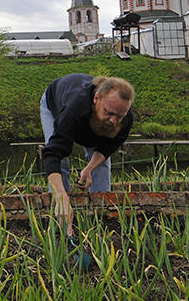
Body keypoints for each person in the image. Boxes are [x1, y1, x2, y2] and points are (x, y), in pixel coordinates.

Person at [39, 73, 134, 236]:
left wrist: (89, 168)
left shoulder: (124, 117)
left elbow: (106, 148)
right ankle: (61, 219)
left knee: (102, 164)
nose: (113, 121)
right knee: (61, 163)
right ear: (96, 98)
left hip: (90, 124)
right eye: (109, 113)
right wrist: (61, 195)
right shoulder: (74, 109)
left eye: (119, 116)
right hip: (54, 104)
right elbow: (53, 153)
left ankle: (102, 221)